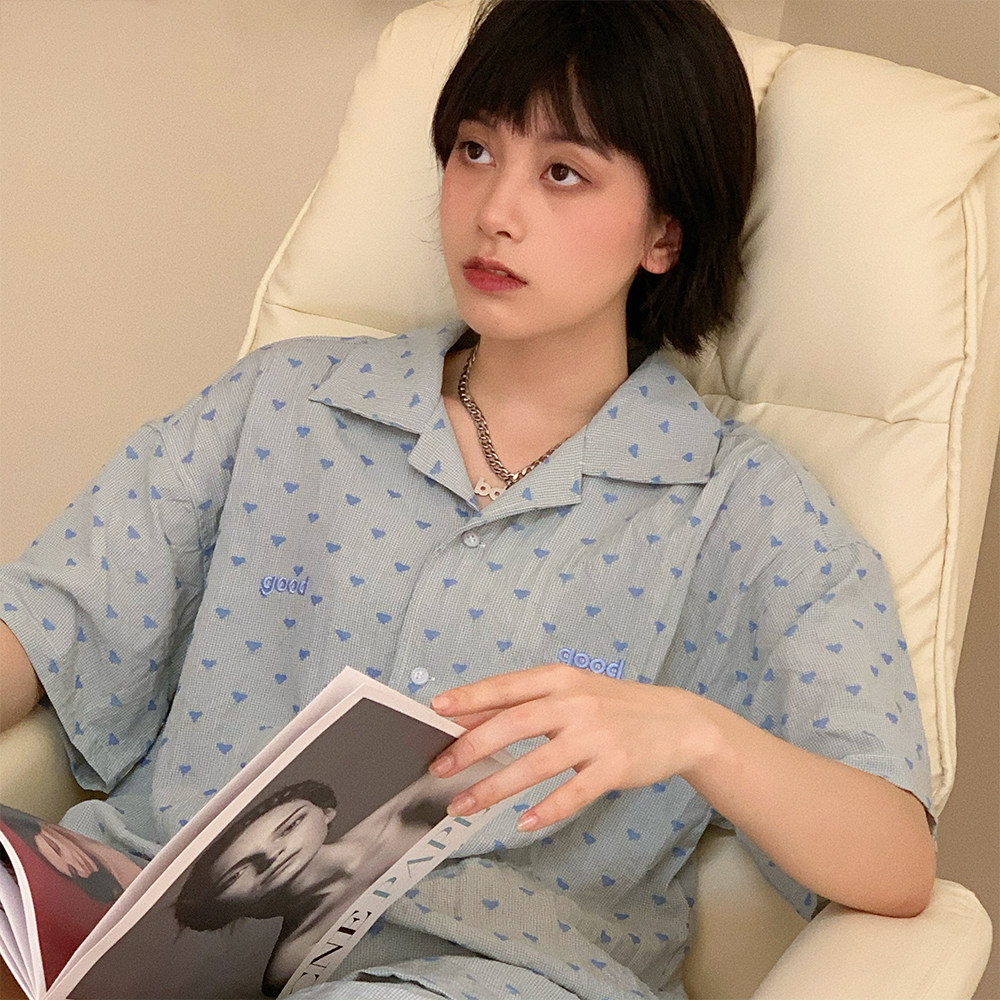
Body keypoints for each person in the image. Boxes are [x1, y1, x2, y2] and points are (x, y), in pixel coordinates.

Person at [0, 2, 935, 998]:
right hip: (141, 923)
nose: (495, 209)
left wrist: (697, 734)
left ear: (664, 232)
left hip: (479, 974)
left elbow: (897, 859)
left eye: (562, 172)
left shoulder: (744, 509)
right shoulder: (284, 403)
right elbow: (46, 621)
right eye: (475, 151)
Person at [175, 766, 498, 996]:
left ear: (326, 812)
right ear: (220, 906)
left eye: (290, 826)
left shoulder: (411, 809)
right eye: (235, 874)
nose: (272, 856)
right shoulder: (291, 960)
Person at [0, 807, 141, 904]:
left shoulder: (87, 814)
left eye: (56, 848)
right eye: (72, 871)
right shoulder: (103, 887)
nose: (80, 866)